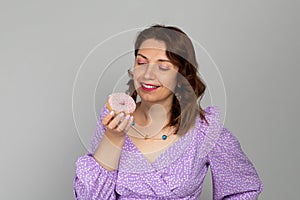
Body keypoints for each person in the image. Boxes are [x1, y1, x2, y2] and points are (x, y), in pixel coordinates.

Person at [74, 24, 263, 199]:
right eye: (141, 62)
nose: (148, 74)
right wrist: (114, 139)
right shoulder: (113, 121)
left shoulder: (205, 131)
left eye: (163, 66)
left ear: (181, 76)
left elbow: (243, 189)